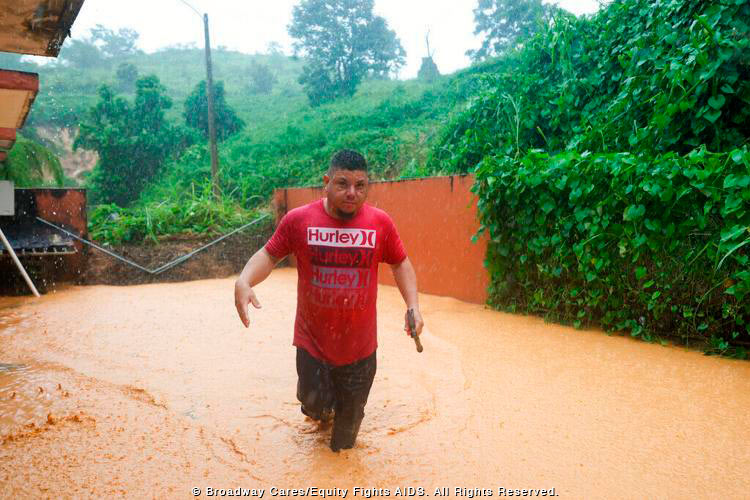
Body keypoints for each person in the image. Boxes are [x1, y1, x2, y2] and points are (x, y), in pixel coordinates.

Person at [234, 149, 424, 451]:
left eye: (360, 186)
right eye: (342, 183)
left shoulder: (380, 224)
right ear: (326, 182)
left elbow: (400, 263)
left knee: (344, 448)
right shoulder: (299, 220)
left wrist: (412, 306)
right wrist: (244, 280)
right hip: (314, 346)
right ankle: (320, 408)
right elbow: (269, 255)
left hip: (361, 352)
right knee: (315, 409)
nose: (352, 193)